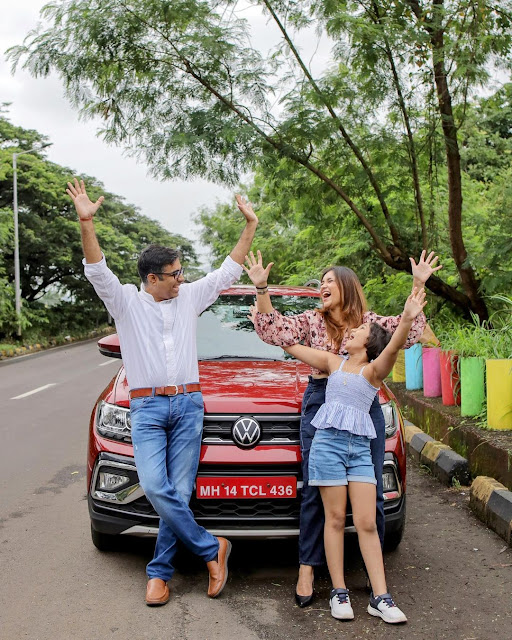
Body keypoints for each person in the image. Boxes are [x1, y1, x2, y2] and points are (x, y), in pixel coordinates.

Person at [66, 178, 258, 606]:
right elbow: (96, 268)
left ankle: (159, 573)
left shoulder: (190, 297)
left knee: (181, 489)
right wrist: (86, 223)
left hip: (189, 405)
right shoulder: (126, 304)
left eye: (181, 272)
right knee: (156, 486)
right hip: (148, 408)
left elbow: (229, 269)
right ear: (152, 278)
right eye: (174, 274)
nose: (181, 279)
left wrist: (250, 226)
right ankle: (213, 548)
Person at [244, 249, 441, 606]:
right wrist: (261, 290)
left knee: (373, 490)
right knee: (315, 489)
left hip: (365, 402)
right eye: (321, 282)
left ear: (347, 287)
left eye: (329, 281)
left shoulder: (368, 322)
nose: (323, 286)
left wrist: (417, 283)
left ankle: (373, 571)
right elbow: (276, 333)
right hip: (321, 397)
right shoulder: (311, 319)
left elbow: (406, 332)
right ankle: (308, 566)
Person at [281, 287, 428, 623]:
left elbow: (393, 346)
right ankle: (339, 590)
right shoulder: (333, 362)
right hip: (327, 447)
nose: (350, 331)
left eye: (359, 331)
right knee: (333, 519)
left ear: (368, 343)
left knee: (365, 522)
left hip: (360, 450)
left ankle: (381, 596)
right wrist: (263, 301)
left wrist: (407, 316)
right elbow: (289, 344)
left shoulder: (374, 372)